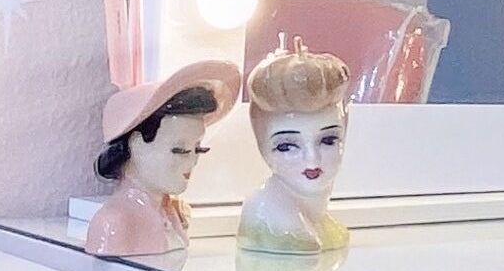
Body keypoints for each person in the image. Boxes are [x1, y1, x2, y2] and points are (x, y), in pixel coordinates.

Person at [84, 61, 240, 258]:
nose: (192, 162)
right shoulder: (114, 223)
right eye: (180, 150)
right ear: (136, 145)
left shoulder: (173, 212)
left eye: (198, 149)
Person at [237, 39, 355, 257]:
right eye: (287, 147)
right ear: (263, 146)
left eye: (328, 140)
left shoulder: (321, 220)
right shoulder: (271, 216)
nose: (312, 160)